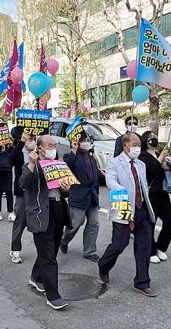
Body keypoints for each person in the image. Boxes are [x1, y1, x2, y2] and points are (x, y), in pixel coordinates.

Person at [98, 132, 157, 297]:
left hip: (142, 210)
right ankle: (104, 265)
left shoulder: (141, 164)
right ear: (125, 145)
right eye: (135, 144)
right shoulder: (114, 162)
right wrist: (120, 189)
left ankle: (142, 282)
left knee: (144, 246)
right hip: (123, 207)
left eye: (139, 144)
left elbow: (142, 184)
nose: (138, 147)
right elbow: (110, 180)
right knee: (119, 244)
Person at [20, 135, 72, 310]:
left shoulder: (57, 164)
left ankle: (37, 277)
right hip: (40, 213)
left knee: (51, 249)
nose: (53, 148)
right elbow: (23, 184)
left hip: (57, 210)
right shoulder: (32, 165)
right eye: (50, 145)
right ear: (40, 148)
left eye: (54, 145)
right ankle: (53, 295)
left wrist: (66, 189)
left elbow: (63, 189)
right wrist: (32, 164)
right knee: (48, 255)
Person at [60, 134, 100, 262]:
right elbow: (66, 167)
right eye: (83, 140)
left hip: (92, 196)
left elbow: (94, 174)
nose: (86, 142)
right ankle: (63, 240)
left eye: (88, 140)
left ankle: (89, 251)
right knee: (76, 223)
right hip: (78, 196)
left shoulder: (90, 156)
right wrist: (74, 150)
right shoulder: (71, 156)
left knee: (94, 224)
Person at [138, 131, 171, 264]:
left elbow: (165, 170)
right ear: (146, 141)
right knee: (150, 223)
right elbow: (150, 169)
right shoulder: (142, 155)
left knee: (170, 221)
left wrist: (167, 166)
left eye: (155, 136)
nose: (155, 139)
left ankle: (161, 247)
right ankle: (151, 251)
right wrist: (161, 158)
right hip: (150, 193)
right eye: (151, 137)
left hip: (163, 192)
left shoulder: (159, 154)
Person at [9, 132, 34, 264]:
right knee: (20, 222)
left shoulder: (40, 151)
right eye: (29, 138)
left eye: (33, 138)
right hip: (23, 193)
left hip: (37, 192)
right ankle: (15, 250)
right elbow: (10, 161)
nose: (31, 140)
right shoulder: (19, 152)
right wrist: (21, 143)